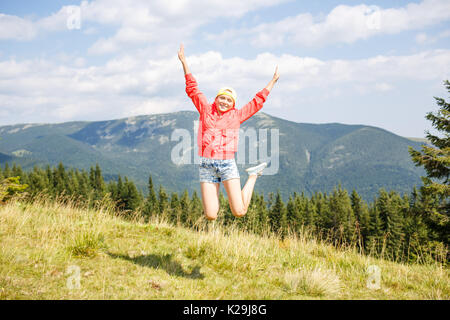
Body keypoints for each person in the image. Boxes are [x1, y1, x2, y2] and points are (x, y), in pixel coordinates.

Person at [178, 44, 279, 220]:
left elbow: (257, 101)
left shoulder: (237, 115)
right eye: (222, 98)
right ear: (216, 99)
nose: (224, 102)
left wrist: (272, 81)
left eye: (228, 100)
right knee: (210, 215)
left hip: (226, 165)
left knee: (239, 212)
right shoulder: (205, 109)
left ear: (233, 104)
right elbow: (192, 88)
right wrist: (184, 62)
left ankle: (253, 175)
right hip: (206, 165)